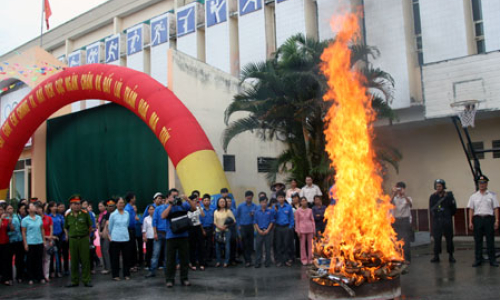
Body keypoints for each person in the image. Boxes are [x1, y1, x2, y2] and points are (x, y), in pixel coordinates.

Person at [161, 194, 197, 287]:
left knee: (184, 259)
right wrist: (170, 205)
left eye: (176, 196)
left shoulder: (183, 205)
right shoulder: (166, 206)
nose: (175, 198)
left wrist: (187, 199)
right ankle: (169, 280)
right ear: (168, 198)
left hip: (183, 235)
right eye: (172, 196)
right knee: (170, 260)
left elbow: (194, 209)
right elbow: (163, 216)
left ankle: (184, 279)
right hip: (171, 237)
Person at [467, 175, 500, 267]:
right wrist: (470, 221)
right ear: (478, 184)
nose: (482, 185)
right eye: (480, 183)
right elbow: (471, 209)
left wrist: (497, 220)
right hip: (477, 219)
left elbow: (496, 208)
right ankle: (478, 260)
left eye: (484, 183)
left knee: (490, 240)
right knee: (478, 241)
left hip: (489, 219)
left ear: (486, 184)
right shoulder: (473, 196)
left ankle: (492, 260)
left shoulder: (492, 195)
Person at [145, 190, 177, 278]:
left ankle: (167, 271)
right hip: (159, 234)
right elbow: (154, 222)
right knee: (156, 253)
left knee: (167, 254)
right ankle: (152, 271)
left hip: (169, 234)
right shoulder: (158, 209)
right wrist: (155, 233)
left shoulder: (172, 208)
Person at [65, 196, 93, 287]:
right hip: (73, 240)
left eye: (78, 204)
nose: (77, 206)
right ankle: (74, 280)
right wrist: (67, 235)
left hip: (83, 239)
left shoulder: (85, 214)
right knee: (74, 260)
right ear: (71, 205)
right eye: (75, 204)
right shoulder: (68, 215)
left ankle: (86, 280)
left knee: (85, 260)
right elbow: (66, 227)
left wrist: (87, 236)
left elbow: (90, 226)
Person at [429, 179, 457, 263]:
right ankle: (436, 256)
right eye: (437, 186)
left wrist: (447, 215)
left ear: (443, 186)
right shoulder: (433, 197)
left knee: (449, 239)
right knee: (437, 239)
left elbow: (454, 208)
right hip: (437, 220)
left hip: (447, 220)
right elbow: (431, 208)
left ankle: (451, 255)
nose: (438, 188)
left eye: (440, 186)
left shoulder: (449, 196)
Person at [21, 202, 45, 285]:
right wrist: (25, 243)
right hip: (30, 242)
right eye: (32, 206)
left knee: (39, 260)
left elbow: (42, 229)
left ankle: (40, 276)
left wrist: (44, 240)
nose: (34, 207)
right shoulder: (25, 220)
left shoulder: (39, 218)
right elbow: (23, 232)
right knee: (30, 260)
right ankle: (30, 277)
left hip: (39, 241)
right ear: (28, 210)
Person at [108, 197, 131, 280]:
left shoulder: (127, 213)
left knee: (126, 257)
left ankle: (126, 274)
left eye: (122, 203)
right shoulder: (113, 214)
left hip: (125, 237)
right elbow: (110, 227)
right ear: (116, 204)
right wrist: (111, 235)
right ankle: (116, 275)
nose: (121, 204)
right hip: (115, 238)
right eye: (120, 203)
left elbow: (127, 224)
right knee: (115, 258)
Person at [391, 182, 413, 264]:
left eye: (401, 188)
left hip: (405, 220)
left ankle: (407, 259)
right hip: (396, 221)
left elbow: (410, 205)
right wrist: (393, 193)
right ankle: (398, 258)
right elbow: (389, 203)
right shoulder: (394, 198)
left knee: (406, 240)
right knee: (396, 240)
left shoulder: (408, 198)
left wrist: (404, 195)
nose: (399, 190)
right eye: (398, 188)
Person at [236, 190, 258, 267]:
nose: (249, 199)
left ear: (252, 197)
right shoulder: (240, 206)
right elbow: (237, 216)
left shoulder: (255, 206)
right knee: (244, 243)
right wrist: (238, 225)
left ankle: (249, 259)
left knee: (250, 244)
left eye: (250, 198)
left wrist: (253, 215)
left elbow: (257, 217)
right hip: (242, 227)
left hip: (250, 227)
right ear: (245, 197)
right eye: (247, 197)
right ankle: (247, 260)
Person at [274, 191, 295, 267]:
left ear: (284, 198)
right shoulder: (275, 207)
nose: (281, 199)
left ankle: (287, 260)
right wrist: (275, 211)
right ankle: (279, 260)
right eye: (279, 197)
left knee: (287, 244)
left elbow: (291, 218)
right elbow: (273, 218)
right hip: (278, 228)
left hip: (286, 228)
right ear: (277, 198)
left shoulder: (288, 207)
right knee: (279, 245)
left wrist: (290, 227)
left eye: (282, 197)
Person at [214, 197, 236, 268]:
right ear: (218, 203)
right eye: (220, 202)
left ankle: (226, 261)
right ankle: (218, 261)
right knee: (217, 247)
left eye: (223, 202)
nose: (222, 203)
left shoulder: (228, 211)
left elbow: (234, 221)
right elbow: (214, 222)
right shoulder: (215, 211)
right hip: (218, 231)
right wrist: (220, 227)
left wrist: (226, 226)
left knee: (227, 247)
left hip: (226, 231)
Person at [254, 196, 275, 268]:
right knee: (258, 247)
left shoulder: (270, 211)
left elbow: (272, 222)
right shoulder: (257, 212)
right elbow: (255, 222)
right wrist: (259, 230)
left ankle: (267, 262)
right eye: (262, 202)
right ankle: (258, 262)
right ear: (260, 203)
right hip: (259, 231)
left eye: (265, 202)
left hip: (267, 231)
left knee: (268, 247)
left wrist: (268, 230)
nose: (264, 204)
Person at [294, 197, 315, 266]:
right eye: (302, 201)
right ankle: (303, 259)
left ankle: (310, 259)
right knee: (302, 246)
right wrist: (297, 231)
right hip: (302, 230)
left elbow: (312, 220)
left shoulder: (310, 210)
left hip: (310, 229)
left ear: (307, 202)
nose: (304, 202)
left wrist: (314, 229)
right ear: (300, 202)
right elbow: (297, 221)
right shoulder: (298, 211)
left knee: (310, 246)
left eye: (305, 201)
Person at [187, 193, 205, 271]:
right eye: (193, 200)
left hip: (198, 227)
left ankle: (201, 263)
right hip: (190, 228)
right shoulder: (186, 209)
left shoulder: (198, 208)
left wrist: (200, 206)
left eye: (196, 200)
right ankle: (193, 263)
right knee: (192, 247)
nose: (195, 202)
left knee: (201, 246)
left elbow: (202, 215)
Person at [8, 204, 26, 283]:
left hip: (19, 240)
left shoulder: (17, 217)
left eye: (11, 208)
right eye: (8, 208)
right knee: (8, 260)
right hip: (10, 241)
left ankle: (19, 276)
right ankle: (9, 277)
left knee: (19, 259)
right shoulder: (5, 219)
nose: (10, 210)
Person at [47, 201, 64, 278]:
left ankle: (59, 270)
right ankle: (51, 271)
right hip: (52, 236)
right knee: (51, 254)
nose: (55, 208)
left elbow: (63, 226)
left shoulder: (59, 216)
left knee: (59, 254)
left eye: (56, 206)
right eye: (53, 206)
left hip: (59, 236)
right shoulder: (48, 217)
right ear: (50, 208)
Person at [38, 203, 53, 282]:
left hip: (47, 240)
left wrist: (50, 238)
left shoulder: (48, 218)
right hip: (38, 240)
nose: (40, 210)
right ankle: (39, 275)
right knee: (39, 258)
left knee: (47, 258)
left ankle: (46, 275)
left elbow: (51, 228)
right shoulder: (36, 219)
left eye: (41, 208)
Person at [200, 194, 215, 267]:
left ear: (210, 201)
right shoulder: (201, 210)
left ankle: (208, 260)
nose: (206, 202)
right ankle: (203, 260)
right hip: (202, 229)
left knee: (210, 245)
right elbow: (199, 222)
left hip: (210, 229)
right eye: (205, 200)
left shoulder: (213, 210)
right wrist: (202, 230)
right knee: (202, 246)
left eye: (208, 200)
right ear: (202, 202)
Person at [0, 204, 13, 285]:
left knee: (6, 261)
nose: (1, 211)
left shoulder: (6, 220)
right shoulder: (2, 219)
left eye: (1, 210)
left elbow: (11, 229)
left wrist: (10, 223)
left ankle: (6, 278)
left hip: (5, 242)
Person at [124, 192, 138, 272]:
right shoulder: (127, 209)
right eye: (134, 198)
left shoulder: (131, 208)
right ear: (131, 199)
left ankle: (133, 264)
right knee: (130, 248)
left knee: (133, 247)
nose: (135, 199)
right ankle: (130, 265)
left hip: (133, 230)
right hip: (129, 230)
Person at [97, 201, 110, 275]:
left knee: (105, 250)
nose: (100, 208)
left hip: (106, 234)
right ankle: (105, 267)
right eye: (99, 206)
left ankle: (108, 268)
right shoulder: (100, 214)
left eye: (101, 206)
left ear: (105, 206)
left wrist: (104, 232)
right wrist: (99, 231)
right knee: (102, 250)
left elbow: (107, 224)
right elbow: (98, 224)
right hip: (101, 234)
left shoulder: (107, 214)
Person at [58, 203, 70, 276]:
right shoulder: (56, 216)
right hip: (58, 237)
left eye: (63, 207)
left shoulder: (66, 215)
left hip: (65, 237)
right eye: (60, 207)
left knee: (66, 254)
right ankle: (58, 269)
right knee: (58, 254)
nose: (62, 208)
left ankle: (66, 269)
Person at [142, 205, 155, 269]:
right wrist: (144, 236)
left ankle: (155, 264)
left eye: (153, 209)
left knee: (155, 252)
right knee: (148, 251)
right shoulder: (146, 219)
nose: (151, 211)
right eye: (150, 209)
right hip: (148, 237)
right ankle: (148, 264)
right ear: (148, 211)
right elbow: (144, 229)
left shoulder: (156, 218)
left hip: (155, 237)